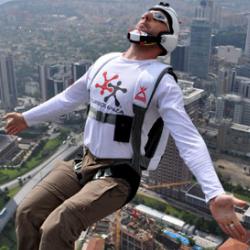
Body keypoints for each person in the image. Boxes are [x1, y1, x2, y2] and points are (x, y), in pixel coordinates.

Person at [3, 2, 249, 250]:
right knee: (27, 211)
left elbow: (188, 138)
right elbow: (68, 98)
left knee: (59, 224)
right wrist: (27, 118)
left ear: (168, 35)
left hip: (119, 175)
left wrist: (214, 192)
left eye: (157, 18)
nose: (146, 17)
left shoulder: (161, 81)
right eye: (146, 14)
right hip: (83, 161)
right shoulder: (105, 62)